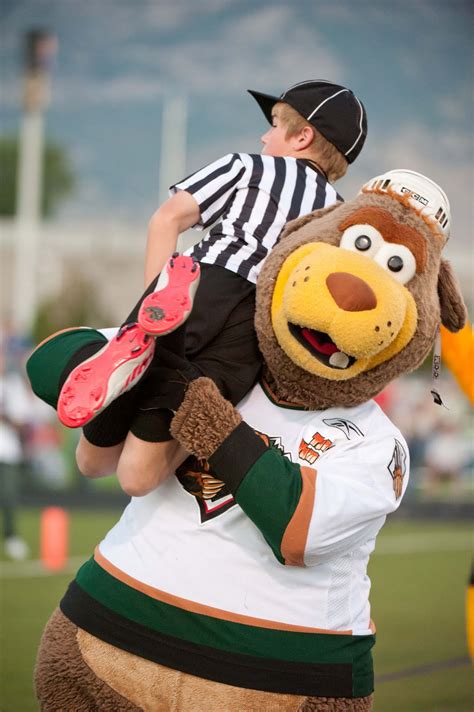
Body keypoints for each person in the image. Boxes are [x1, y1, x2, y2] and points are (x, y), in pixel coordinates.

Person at [27, 80, 368, 497]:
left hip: (204, 283)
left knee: (91, 462)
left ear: (302, 136)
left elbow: (167, 220)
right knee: (137, 479)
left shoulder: (247, 166)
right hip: (254, 329)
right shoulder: (342, 219)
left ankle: (145, 344)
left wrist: (151, 298)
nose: (264, 135)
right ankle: (172, 376)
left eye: (275, 125)